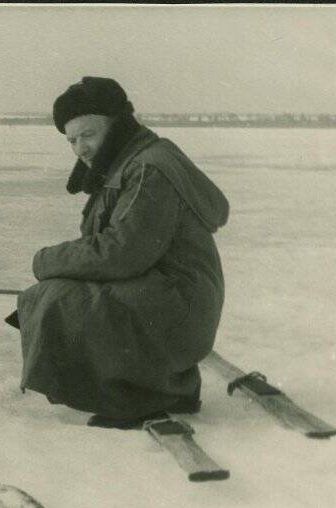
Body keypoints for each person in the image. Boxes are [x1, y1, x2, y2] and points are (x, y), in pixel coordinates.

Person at [13, 76, 230, 429]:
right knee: (58, 292)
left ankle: (147, 396)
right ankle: (152, 387)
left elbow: (122, 253)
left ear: (117, 126)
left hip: (182, 308)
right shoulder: (130, 160)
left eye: (88, 135)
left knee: (61, 297)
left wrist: (47, 260)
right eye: (71, 140)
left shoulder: (149, 168)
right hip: (170, 299)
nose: (79, 148)